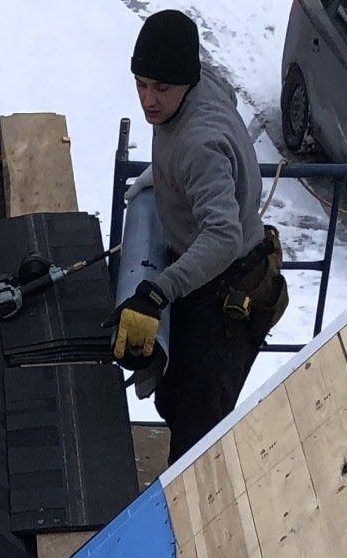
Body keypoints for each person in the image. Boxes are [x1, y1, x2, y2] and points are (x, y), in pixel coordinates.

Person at [114, 10, 286, 462]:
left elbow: (223, 237)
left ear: (186, 84)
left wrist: (156, 294)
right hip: (204, 278)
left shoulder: (199, 145)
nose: (149, 101)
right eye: (141, 84)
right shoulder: (201, 82)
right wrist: (164, 177)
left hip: (226, 294)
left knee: (196, 438)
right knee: (173, 401)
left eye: (162, 89)